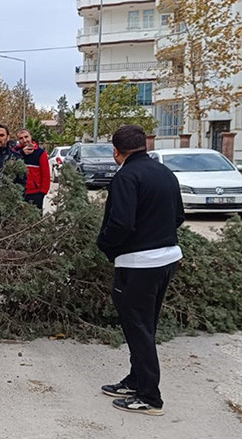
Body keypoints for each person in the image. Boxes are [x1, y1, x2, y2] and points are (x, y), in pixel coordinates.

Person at [96, 125, 184, 416]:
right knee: (145, 326)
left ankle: (149, 396)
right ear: (144, 145)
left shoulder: (126, 177)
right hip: (167, 260)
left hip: (138, 265)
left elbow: (120, 224)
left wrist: (106, 247)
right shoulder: (165, 173)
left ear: (116, 152)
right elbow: (179, 216)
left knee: (138, 329)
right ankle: (136, 379)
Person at [11, 129, 51, 210]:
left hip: (35, 193)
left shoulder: (40, 153)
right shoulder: (14, 152)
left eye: (26, 137)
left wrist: (43, 192)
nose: (24, 140)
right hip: (17, 192)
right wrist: (21, 153)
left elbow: (46, 174)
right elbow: (9, 167)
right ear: (18, 140)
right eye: (21, 138)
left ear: (31, 137)